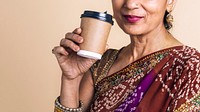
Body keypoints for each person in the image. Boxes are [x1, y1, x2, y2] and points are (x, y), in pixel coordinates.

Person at [52, 0, 200, 111]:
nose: (130, 4)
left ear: (170, 2)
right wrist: (71, 79)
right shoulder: (102, 64)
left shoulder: (191, 68)